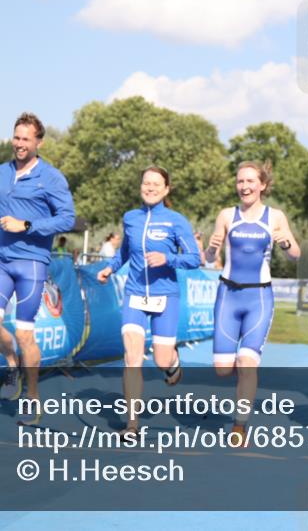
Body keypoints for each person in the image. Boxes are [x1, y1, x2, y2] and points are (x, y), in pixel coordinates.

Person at [0, 112, 75, 424]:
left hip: (31, 262)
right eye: (16, 137)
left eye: (25, 139)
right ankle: (11, 361)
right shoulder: (3, 171)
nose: (19, 144)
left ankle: (32, 398)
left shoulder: (52, 177)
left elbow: (67, 218)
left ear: (38, 142)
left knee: (26, 335)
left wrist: (26, 224)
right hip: (1, 259)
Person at [97, 166, 201, 435]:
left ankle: (172, 362)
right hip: (134, 294)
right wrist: (110, 267)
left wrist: (168, 259)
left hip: (164, 296)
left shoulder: (176, 220)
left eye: (156, 184)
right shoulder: (131, 218)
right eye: (146, 183)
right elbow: (124, 253)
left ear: (166, 189)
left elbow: (193, 258)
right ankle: (132, 424)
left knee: (161, 359)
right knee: (132, 358)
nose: (150, 188)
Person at [205, 161, 300, 445]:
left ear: (262, 185)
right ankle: (243, 374)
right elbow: (209, 258)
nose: (244, 186)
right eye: (240, 181)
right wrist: (210, 248)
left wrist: (285, 243)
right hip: (227, 296)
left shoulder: (275, 217)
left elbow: (296, 254)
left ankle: (240, 425)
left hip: (259, 297)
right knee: (223, 369)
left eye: (250, 181)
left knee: (247, 365)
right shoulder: (226, 215)